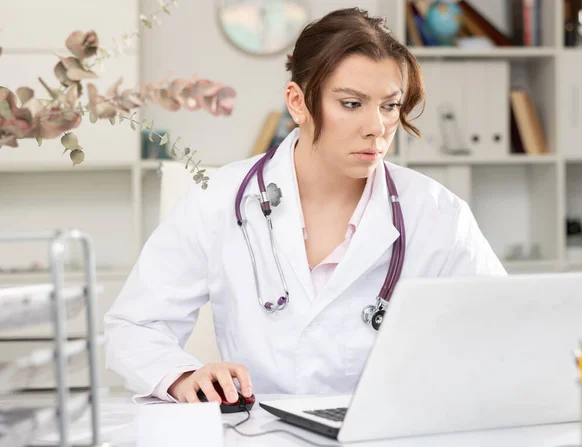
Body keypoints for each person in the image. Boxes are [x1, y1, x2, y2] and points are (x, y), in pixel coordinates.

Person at [104, 7, 506, 406]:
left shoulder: (437, 213)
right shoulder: (218, 199)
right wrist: (185, 376)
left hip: (383, 432)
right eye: (351, 103)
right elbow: (135, 325)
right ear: (297, 103)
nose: (377, 127)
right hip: (255, 432)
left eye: (389, 106)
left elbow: (503, 330)